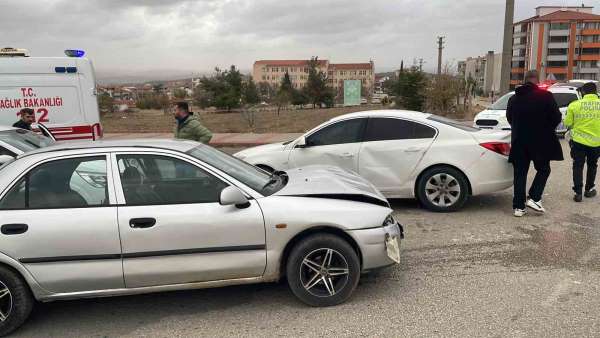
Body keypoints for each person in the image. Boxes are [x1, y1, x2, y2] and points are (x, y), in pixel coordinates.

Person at [506, 70, 563, 217]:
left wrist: (519, 129)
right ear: (537, 81)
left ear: (525, 81)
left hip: (519, 142)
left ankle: (519, 208)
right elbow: (557, 117)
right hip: (540, 142)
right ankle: (535, 197)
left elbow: (509, 118)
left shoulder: (514, 98)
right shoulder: (546, 96)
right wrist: (545, 129)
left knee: (520, 174)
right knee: (544, 169)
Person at [564, 82, 600, 202]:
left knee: (578, 165)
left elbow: (568, 123)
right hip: (596, 142)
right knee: (592, 165)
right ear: (595, 91)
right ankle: (589, 189)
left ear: (583, 92)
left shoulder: (574, 105)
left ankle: (578, 193)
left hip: (578, 141)